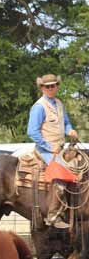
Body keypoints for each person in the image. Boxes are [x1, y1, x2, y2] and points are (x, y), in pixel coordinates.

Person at [27, 74, 79, 229]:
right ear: (42, 88)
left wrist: (70, 131)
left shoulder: (59, 104)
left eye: (53, 85)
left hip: (61, 148)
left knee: (81, 166)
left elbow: (67, 123)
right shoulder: (39, 107)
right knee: (61, 174)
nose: (51, 88)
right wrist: (50, 147)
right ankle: (53, 215)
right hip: (46, 150)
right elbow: (32, 132)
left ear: (57, 86)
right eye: (47, 86)